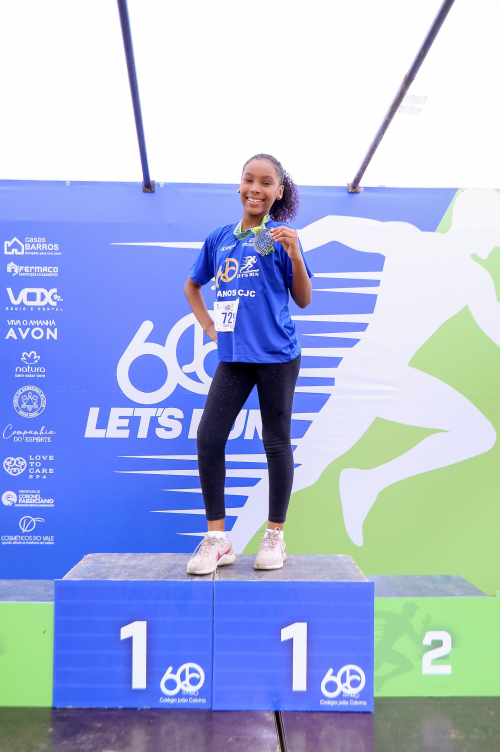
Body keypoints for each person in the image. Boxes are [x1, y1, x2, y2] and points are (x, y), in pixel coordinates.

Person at [183, 153, 313, 574]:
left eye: (266, 183)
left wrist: (295, 255)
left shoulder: (280, 239)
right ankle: (217, 539)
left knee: (275, 442)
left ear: (279, 192)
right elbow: (192, 286)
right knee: (209, 437)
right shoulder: (220, 238)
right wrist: (208, 326)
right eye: (249, 180)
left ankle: (275, 535)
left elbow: (303, 299)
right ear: (240, 186)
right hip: (234, 357)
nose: (256, 189)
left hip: (277, 356)